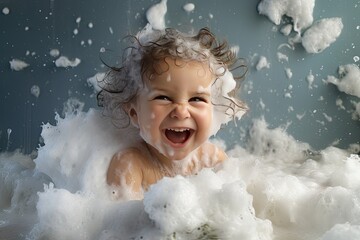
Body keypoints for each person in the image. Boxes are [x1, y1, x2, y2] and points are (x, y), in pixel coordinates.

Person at [97, 25, 248, 200]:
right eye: (163, 97)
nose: (181, 111)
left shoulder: (213, 160)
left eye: (197, 99)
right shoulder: (131, 166)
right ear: (134, 113)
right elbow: (120, 224)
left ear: (214, 111)